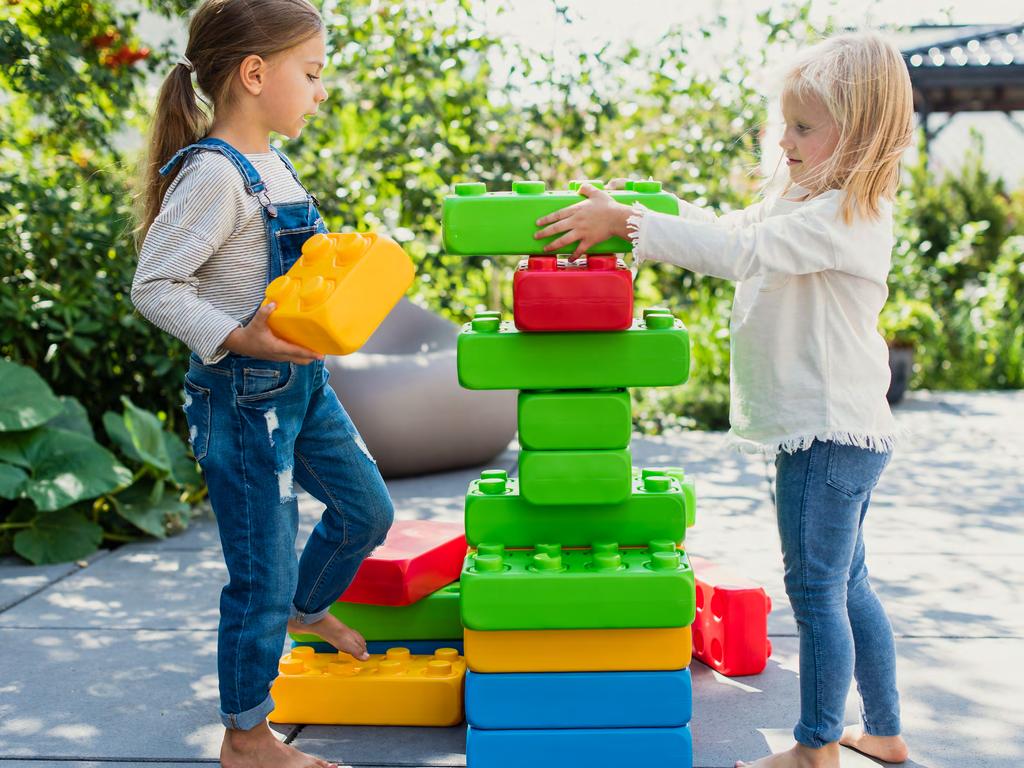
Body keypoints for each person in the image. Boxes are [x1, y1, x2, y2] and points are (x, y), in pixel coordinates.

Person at [534, 32, 914, 768]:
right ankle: (886, 730)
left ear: (860, 133)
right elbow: (733, 229)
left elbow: (741, 254)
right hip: (840, 433)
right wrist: (648, 209)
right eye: (784, 123)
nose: (785, 139)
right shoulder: (804, 201)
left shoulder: (844, 217)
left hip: (825, 435)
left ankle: (814, 748)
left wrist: (632, 225)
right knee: (848, 584)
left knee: (815, 591)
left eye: (804, 127)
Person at [131, 2, 394, 765]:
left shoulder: (274, 163)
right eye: (310, 74)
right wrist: (239, 334)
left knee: (365, 511)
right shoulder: (214, 174)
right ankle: (247, 736)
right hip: (242, 400)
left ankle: (307, 610)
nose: (320, 92)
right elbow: (156, 284)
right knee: (260, 576)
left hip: (302, 390)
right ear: (254, 74)